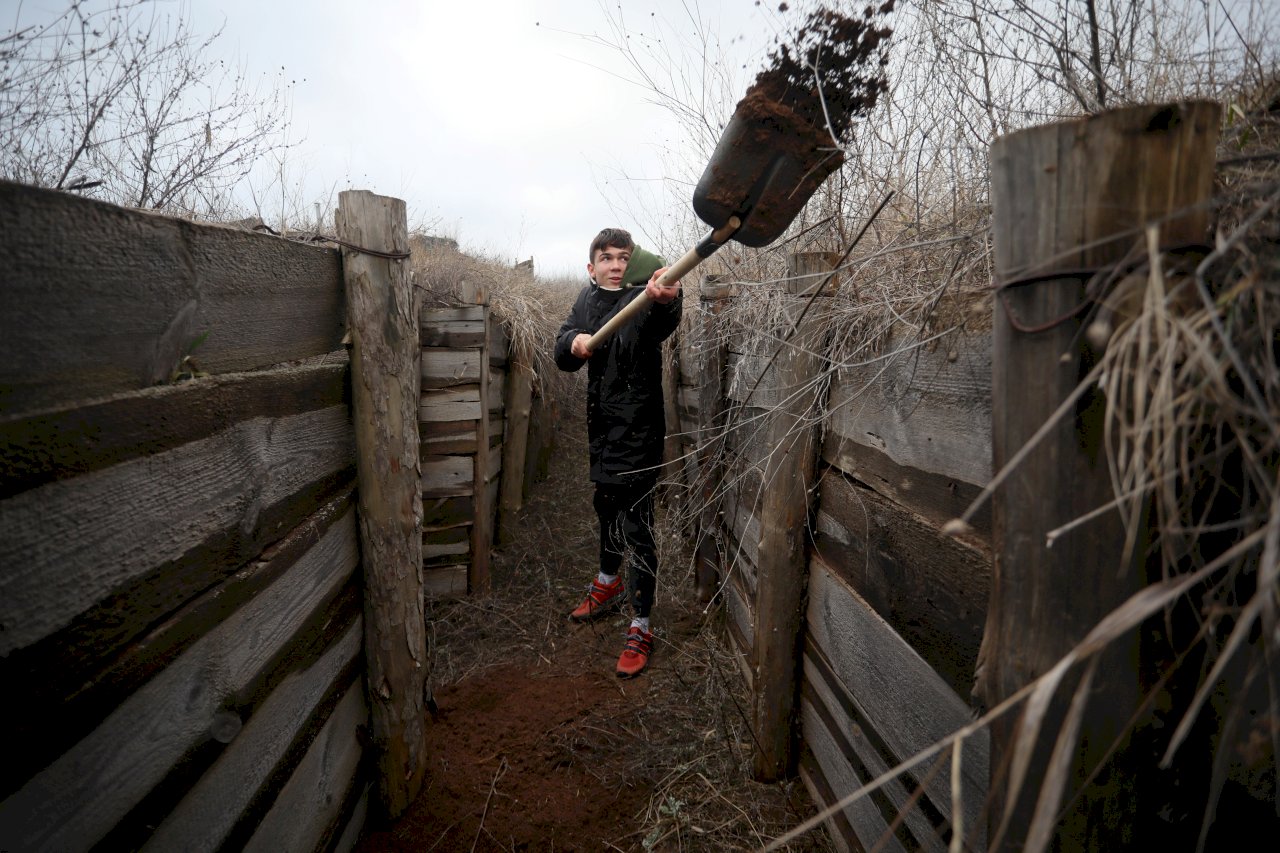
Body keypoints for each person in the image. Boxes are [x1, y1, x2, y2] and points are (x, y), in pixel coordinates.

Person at [554, 227, 682, 678]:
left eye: (622, 257)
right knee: (604, 507)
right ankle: (608, 582)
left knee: (637, 525)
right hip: (602, 433)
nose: (614, 265)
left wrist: (666, 298)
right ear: (592, 267)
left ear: (633, 263)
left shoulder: (643, 300)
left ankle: (641, 622)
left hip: (639, 434)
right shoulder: (587, 303)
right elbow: (564, 348)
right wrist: (572, 342)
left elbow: (663, 320)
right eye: (605, 258)